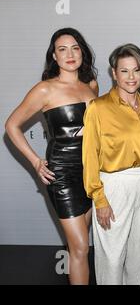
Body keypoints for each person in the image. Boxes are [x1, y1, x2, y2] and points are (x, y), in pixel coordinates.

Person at [5, 27, 98, 284]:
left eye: (75, 48)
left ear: (82, 52)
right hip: (62, 173)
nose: (70, 54)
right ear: (54, 57)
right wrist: (36, 161)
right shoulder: (45, 90)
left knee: (78, 245)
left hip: (90, 172)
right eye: (62, 49)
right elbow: (12, 125)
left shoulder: (91, 86)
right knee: (80, 248)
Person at [82, 44, 140, 285]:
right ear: (114, 73)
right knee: (112, 257)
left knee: (138, 254)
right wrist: (100, 199)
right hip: (114, 185)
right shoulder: (99, 108)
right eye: (124, 71)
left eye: (136, 70)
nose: (131, 77)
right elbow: (90, 156)